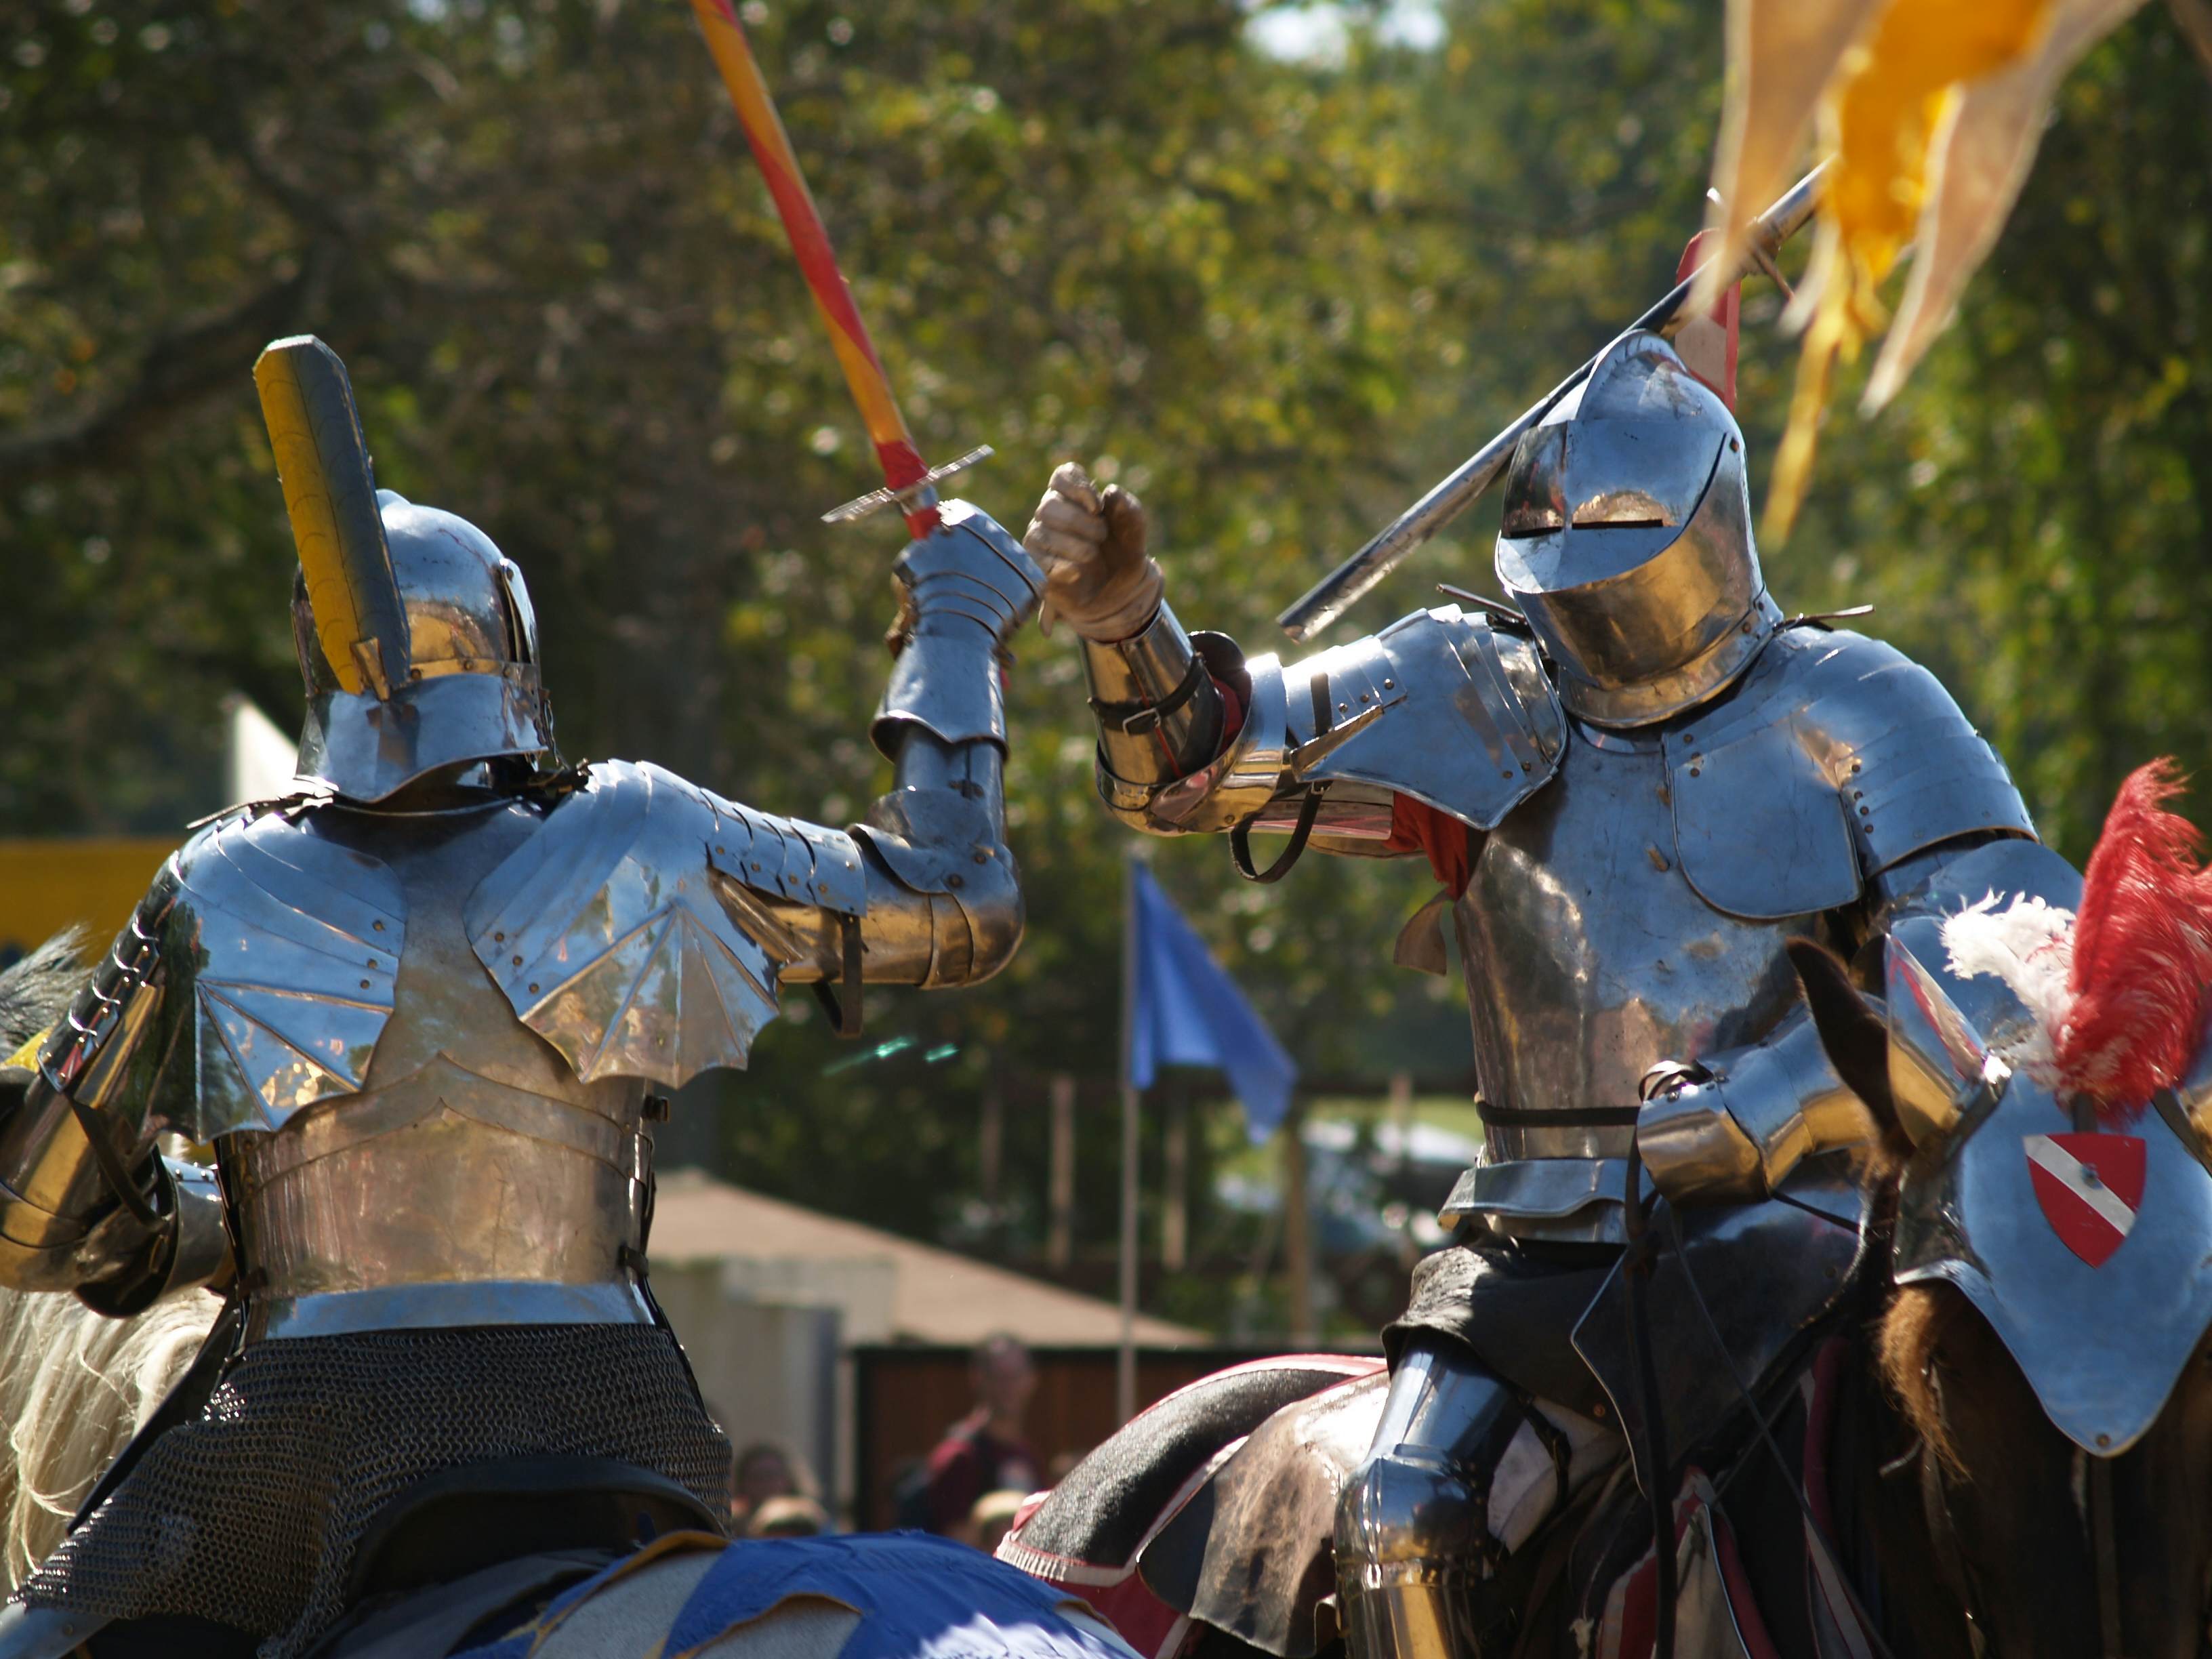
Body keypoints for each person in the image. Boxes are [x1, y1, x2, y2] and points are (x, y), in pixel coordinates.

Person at [1020, 329, 2082, 1658]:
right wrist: (1125, 619)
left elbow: (2015, 949)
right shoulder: (1476, 688)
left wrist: (1770, 1104)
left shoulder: (1857, 706)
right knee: (1402, 1518)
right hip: (1528, 1246)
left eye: (1623, 532)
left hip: (1803, 1231)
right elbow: (1190, 770)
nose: (1590, 582)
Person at [0, 335, 1042, 1659]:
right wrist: (953, 623)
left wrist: (191, 1230)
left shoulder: (221, 885)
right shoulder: (644, 834)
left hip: (305, 1425)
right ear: (514, 646)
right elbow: (961, 898)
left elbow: (29, 1234)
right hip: (609, 1412)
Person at [922, 1334, 1042, 1536]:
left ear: (1031, 1380)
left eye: (1016, 1376)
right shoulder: (960, 1457)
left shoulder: (1028, 1455)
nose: (1008, 1387)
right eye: (999, 1377)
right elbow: (955, 1545)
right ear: (977, 1378)